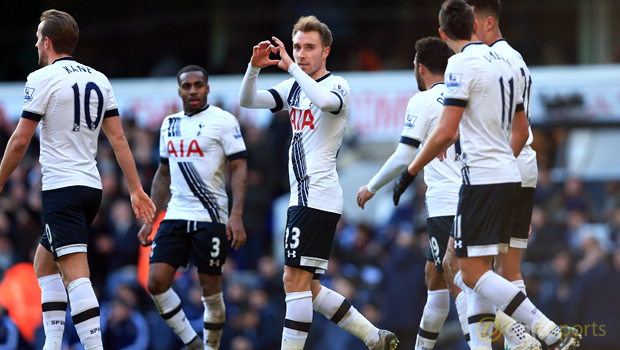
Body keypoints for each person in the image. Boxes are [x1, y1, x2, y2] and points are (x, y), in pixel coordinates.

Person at [392, 1, 580, 350]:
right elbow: (521, 129)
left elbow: (447, 130)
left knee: (467, 272)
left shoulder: (460, 65)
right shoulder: (508, 62)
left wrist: (410, 171)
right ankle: (518, 343)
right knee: (491, 271)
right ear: (475, 26)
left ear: (443, 34)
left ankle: (546, 331)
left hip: (482, 178)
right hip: (513, 173)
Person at [239, 15, 398, 350]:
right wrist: (254, 68)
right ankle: (374, 337)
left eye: (309, 47)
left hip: (317, 195)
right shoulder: (294, 86)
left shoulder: (336, 85)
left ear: (325, 50)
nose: (300, 54)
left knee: (293, 282)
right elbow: (248, 100)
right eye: (296, 47)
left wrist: (291, 69)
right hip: (304, 197)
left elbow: (326, 103)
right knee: (306, 288)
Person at [0, 10, 155, 350]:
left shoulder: (41, 78)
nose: (37, 44)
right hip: (91, 188)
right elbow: (119, 140)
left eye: (39, 38)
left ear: (48, 42)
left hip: (62, 188)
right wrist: (135, 189)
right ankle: (53, 343)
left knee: (75, 273)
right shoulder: (99, 78)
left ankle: (92, 346)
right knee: (43, 263)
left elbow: (21, 140)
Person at [357, 37, 473, 350]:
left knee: (458, 281)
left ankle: (509, 338)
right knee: (435, 278)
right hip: (477, 198)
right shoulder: (466, 96)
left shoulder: (422, 101)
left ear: (420, 68)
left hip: (447, 204)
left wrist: (371, 187)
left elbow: (403, 156)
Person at [136, 64, 248, 350]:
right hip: (175, 215)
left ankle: (211, 348)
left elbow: (239, 167)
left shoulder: (223, 121)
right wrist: (151, 217)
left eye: (199, 85)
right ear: (180, 90)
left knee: (210, 291)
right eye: (187, 86)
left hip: (211, 218)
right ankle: (192, 342)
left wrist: (236, 215)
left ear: (207, 88)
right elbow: (163, 173)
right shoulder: (169, 124)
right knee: (156, 284)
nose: (193, 90)